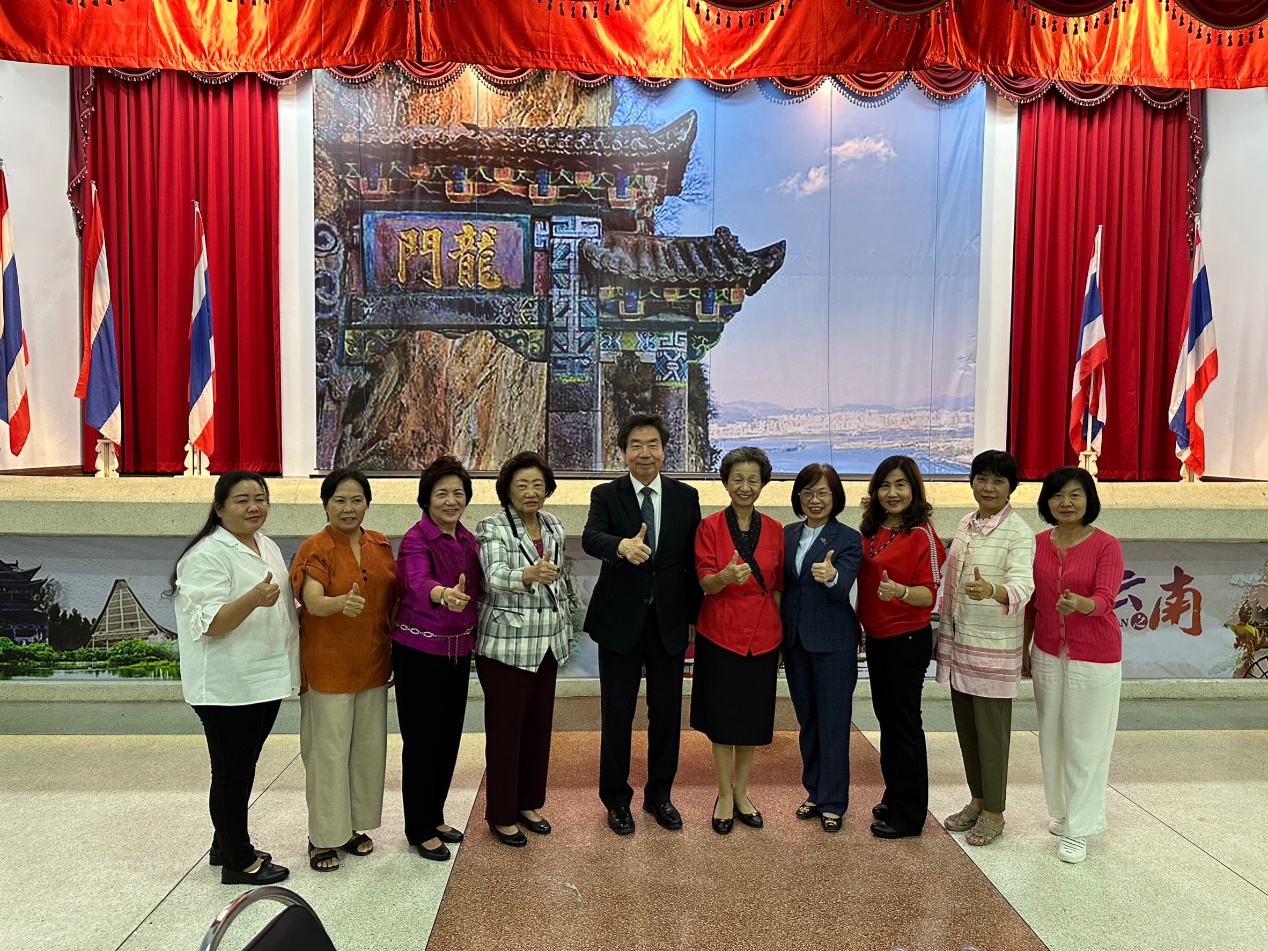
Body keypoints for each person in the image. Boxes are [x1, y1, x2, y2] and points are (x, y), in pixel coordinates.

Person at [170, 471, 298, 886]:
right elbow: (211, 624)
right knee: (231, 774)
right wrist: (253, 599)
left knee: (242, 767)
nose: (254, 507)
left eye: (260, 498)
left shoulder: (266, 544)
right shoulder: (205, 555)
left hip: (263, 678)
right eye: (242, 500)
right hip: (227, 686)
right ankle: (239, 862)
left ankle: (224, 845)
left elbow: (283, 607)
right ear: (220, 508)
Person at [582, 413, 703, 836]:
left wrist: (694, 618)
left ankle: (659, 796)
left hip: (669, 621)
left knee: (666, 714)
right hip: (620, 620)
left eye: (652, 444)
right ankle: (616, 800)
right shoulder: (606, 494)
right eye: (636, 445)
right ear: (624, 452)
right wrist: (621, 546)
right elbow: (591, 537)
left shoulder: (686, 496)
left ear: (665, 450)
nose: (644, 453)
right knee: (617, 713)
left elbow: (693, 561)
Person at [289, 468, 396, 872]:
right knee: (328, 754)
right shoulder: (316, 547)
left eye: (356, 500)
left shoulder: (380, 544)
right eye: (339, 500)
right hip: (328, 667)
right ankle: (322, 838)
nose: (348, 508)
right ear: (325, 504)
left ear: (367, 504)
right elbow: (313, 601)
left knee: (366, 751)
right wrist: (339, 604)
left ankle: (350, 828)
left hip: (373, 664)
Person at [1023, 466, 1125, 864]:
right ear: (1046, 501)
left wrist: (1081, 604)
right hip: (1048, 651)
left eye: (1075, 495)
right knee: (1051, 735)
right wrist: (1024, 648)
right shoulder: (1036, 544)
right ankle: (1063, 812)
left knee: (1086, 740)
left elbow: (1106, 599)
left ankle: (1080, 829)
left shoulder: (1106, 545)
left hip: (1095, 655)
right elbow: (1031, 604)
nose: (1065, 503)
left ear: (1089, 500)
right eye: (1057, 495)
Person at [475, 452, 576, 848]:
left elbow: (560, 577)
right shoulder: (492, 526)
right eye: (522, 485)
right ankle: (501, 814)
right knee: (505, 733)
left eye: (537, 484)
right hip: (507, 646)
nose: (531, 492)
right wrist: (528, 574)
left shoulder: (553, 524)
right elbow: (494, 575)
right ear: (507, 490)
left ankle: (528, 803)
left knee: (537, 728)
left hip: (547, 643)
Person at [936, 449, 1035, 847]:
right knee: (968, 731)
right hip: (961, 645)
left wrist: (993, 590)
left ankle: (995, 810)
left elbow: (1024, 586)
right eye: (982, 478)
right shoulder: (966, 523)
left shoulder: (1018, 532)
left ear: (1011, 487)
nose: (988, 487)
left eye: (998, 481)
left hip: (992, 650)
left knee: (992, 735)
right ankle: (977, 799)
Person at [393, 455, 484, 862]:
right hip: (419, 653)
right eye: (441, 493)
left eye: (458, 493)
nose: (451, 501)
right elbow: (416, 581)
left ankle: (435, 815)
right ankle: (418, 827)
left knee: (448, 739)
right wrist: (443, 594)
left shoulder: (468, 539)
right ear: (426, 499)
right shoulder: (416, 539)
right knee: (422, 742)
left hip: (458, 652)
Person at [694, 447, 785, 835]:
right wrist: (725, 577)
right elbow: (705, 581)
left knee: (751, 719)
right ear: (726, 483)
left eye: (753, 480)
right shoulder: (710, 527)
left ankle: (742, 791)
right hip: (721, 633)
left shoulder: (776, 529)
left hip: (763, 637)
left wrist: (777, 632)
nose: (745, 487)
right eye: (738, 479)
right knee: (723, 719)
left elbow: (779, 586)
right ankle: (723, 795)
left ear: (762, 484)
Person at [856, 455, 947, 840]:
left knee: (905, 724)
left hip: (906, 639)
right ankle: (895, 795)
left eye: (900, 485)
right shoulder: (873, 528)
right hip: (877, 638)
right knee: (888, 722)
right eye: (885, 485)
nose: (892, 493)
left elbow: (929, 594)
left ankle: (910, 815)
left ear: (914, 489)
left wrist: (900, 592)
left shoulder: (922, 534)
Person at [780, 463, 861, 835]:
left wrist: (832, 576)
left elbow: (843, 586)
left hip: (834, 642)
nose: (815, 500)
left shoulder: (847, 538)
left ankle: (833, 802)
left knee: (833, 722)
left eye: (823, 492)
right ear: (798, 497)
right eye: (808, 492)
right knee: (808, 721)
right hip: (795, 641)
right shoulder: (787, 534)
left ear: (835, 497)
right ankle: (814, 792)